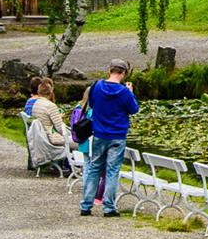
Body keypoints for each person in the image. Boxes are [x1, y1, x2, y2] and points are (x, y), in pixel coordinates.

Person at [78, 58, 140, 218]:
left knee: (94, 168)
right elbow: (133, 109)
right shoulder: (125, 92)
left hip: (99, 134)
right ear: (124, 73)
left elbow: (91, 104)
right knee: (112, 171)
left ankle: (86, 205)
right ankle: (108, 207)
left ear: (110, 70)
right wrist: (131, 94)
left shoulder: (96, 86)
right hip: (117, 136)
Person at [28, 78, 82, 176]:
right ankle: (76, 168)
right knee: (80, 141)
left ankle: (69, 166)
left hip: (42, 137)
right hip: (51, 139)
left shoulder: (36, 104)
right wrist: (73, 133)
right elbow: (60, 128)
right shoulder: (50, 106)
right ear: (50, 92)